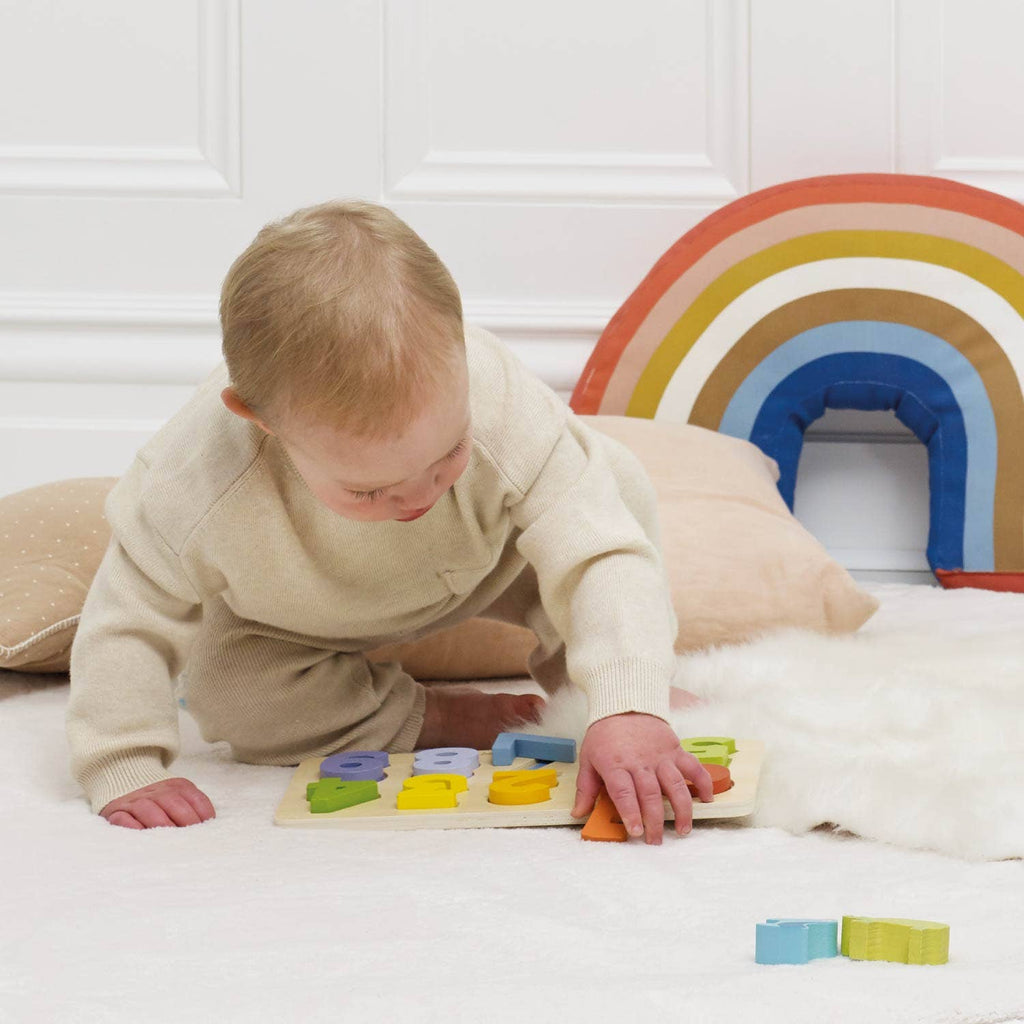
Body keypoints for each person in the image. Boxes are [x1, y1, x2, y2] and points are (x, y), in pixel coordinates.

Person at [66, 199, 712, 843]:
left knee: (608, 487)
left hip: (495, 564)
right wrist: (122, 761)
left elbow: (600, 554)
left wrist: (629, 703)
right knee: (227, 691)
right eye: (369, 489)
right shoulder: (194, 482)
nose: (415, 499)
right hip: (296, 617)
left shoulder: (499, 399)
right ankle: (424, 716)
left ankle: (591, 689)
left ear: (462, 351)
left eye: (448, 454)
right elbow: (127, 617)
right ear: (261, 421)